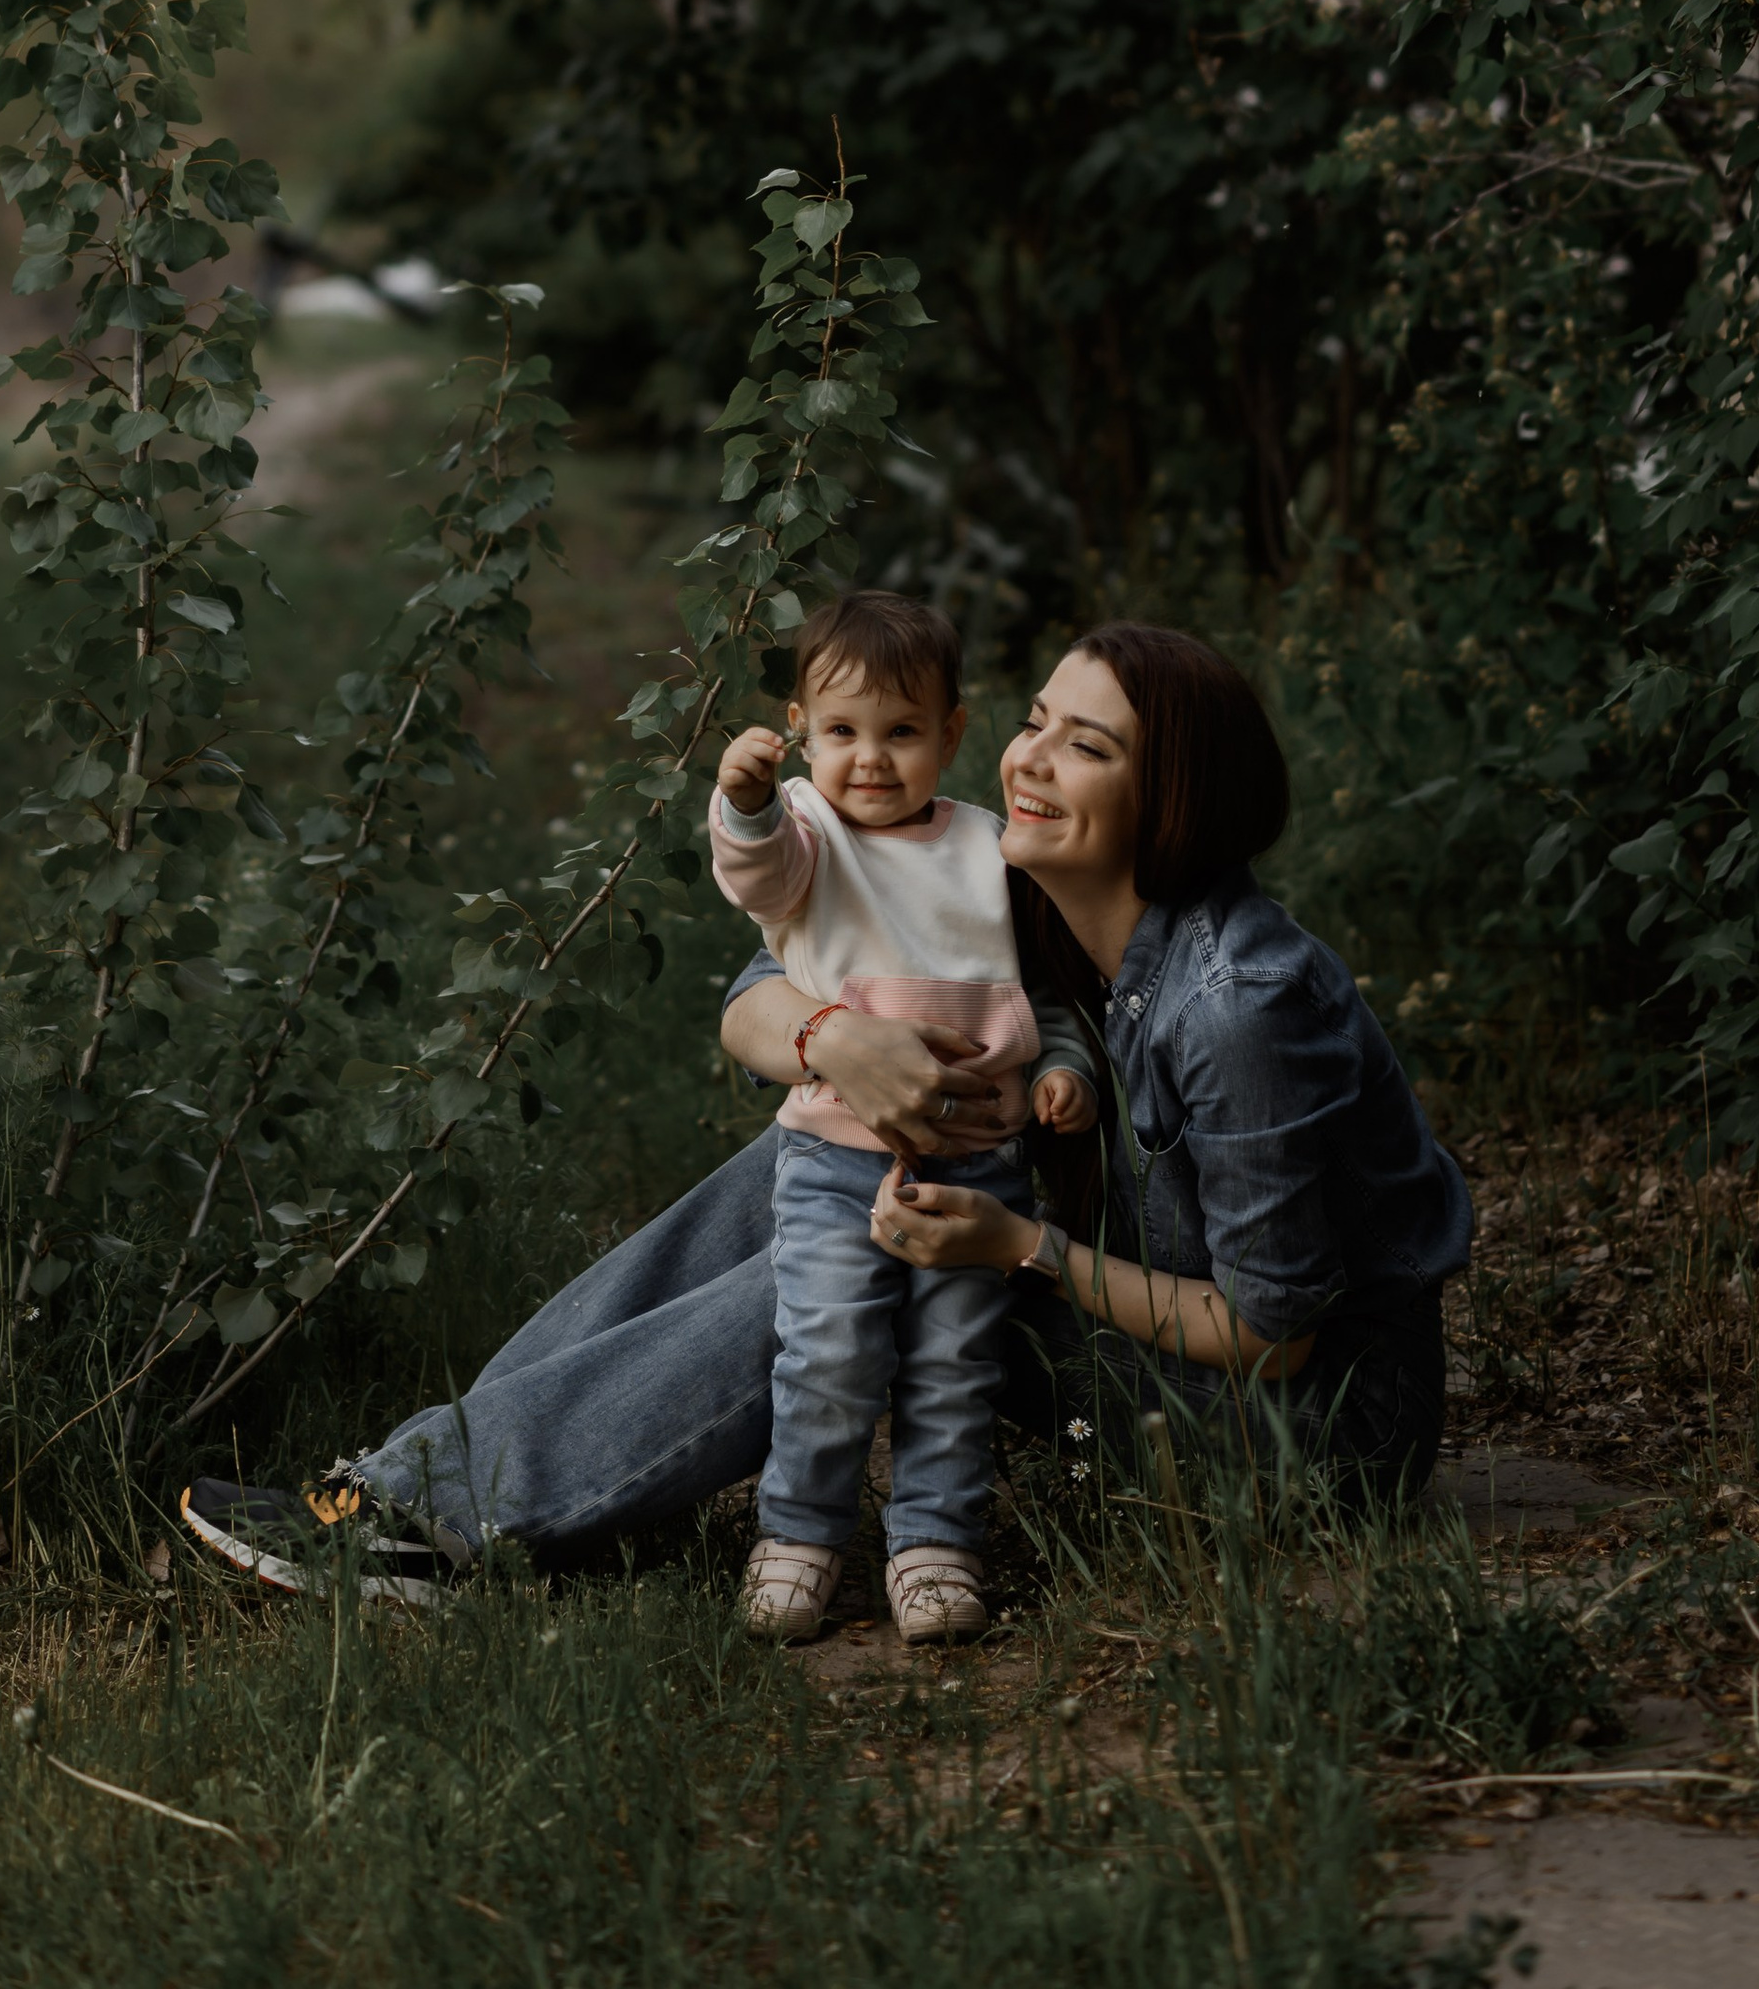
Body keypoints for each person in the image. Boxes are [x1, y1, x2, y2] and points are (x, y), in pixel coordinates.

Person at [173, 621, 1469, 1613]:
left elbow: (1279, 1334)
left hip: (1303, 1433)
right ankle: (442, 1478)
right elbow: (759, 990)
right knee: (812, 1157)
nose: (1028, 756)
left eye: (1091, 744)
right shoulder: (1059, 904)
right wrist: (835, 1039)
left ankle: (452, 1519)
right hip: (1169, 1300)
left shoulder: (1240, 1005)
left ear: (1171, 796)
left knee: (847, 1237)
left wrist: (1015, 1250)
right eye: (1037, 720)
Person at [706, 590, 1096, 1646]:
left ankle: (934, 1546)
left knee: (955, 1362)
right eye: (840, 732)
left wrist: (1064, 1069)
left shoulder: (989, 854)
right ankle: (799, 1536)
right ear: (800, 729)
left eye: (901, 732)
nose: (869, 760)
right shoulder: (809, 836)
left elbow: (1046, 993)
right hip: (836, 1162)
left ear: (952, 734)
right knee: (827, 1351)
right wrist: (745, 801)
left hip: (982, 1166)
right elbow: (758, 874)